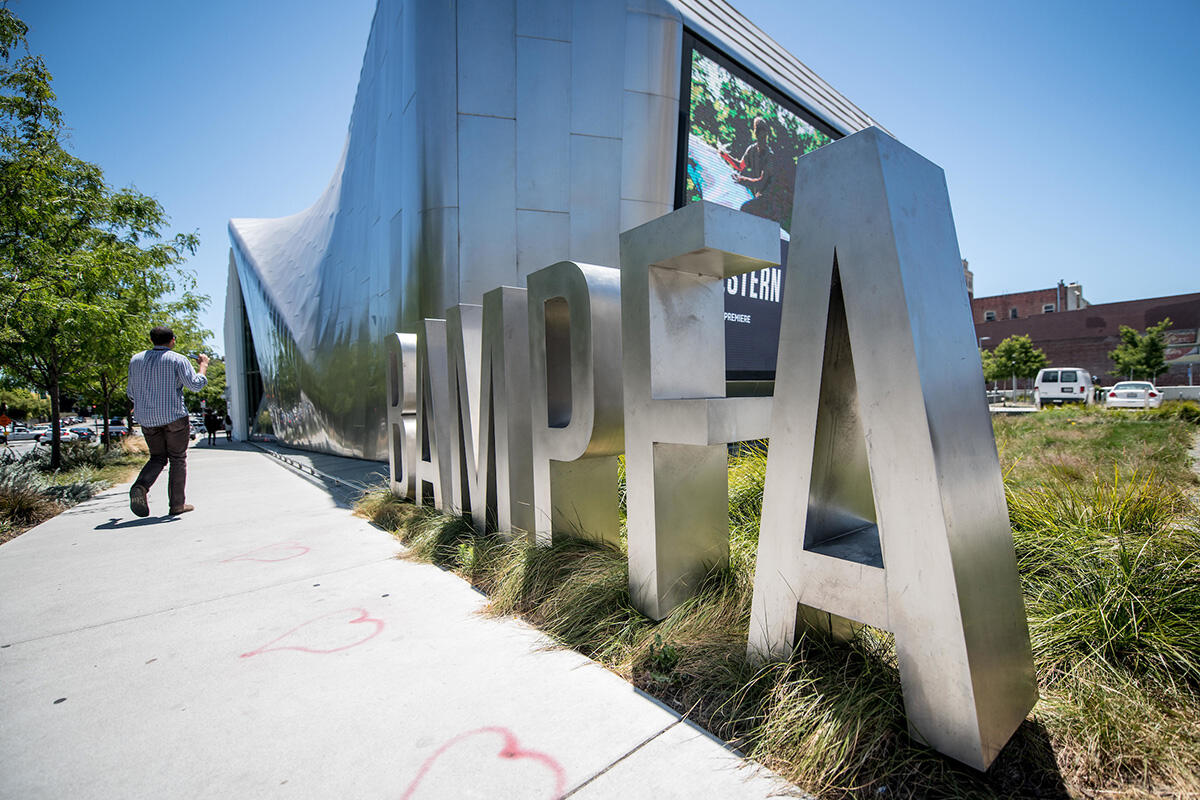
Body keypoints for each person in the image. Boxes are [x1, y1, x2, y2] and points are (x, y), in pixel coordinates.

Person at [126, 326, 209, 517]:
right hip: (174, 417)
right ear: (172, 340)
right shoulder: (177, 359)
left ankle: (141, 486)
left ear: (151, 340)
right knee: (177, 458)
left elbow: (131, 392)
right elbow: (195, 385)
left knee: (157, 457)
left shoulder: (136, 360)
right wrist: (203, 366)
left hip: (147, 419)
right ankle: (177, 505)